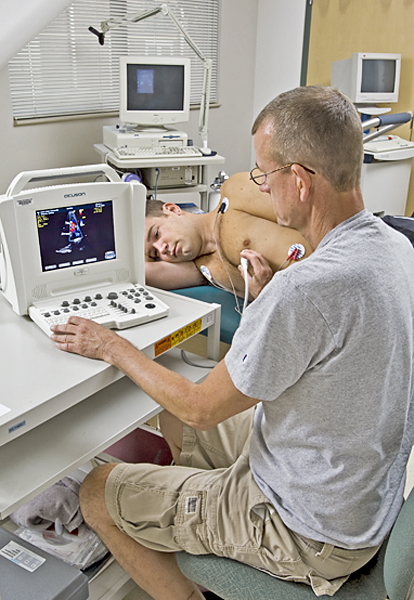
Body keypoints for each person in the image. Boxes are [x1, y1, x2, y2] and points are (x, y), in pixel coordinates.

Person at [50, 86, 414, 599]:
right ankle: (188, 516)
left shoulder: (307, 287)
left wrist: (112, 347)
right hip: (359, 497)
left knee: (95, 492)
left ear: (300, 182)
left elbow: (203, 408)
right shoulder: (397, 249)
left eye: (265, 174)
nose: (262, 187)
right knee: (170, 416)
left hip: (307, 531)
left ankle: (197, 550)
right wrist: (268, 305)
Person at [144, 171, 313, 299]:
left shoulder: (235, 195)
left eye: (157, 234)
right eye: (155, 253)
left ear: (172, 209)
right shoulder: (205, 269)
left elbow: (316, 213)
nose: (162, 249)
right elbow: (135, 273)